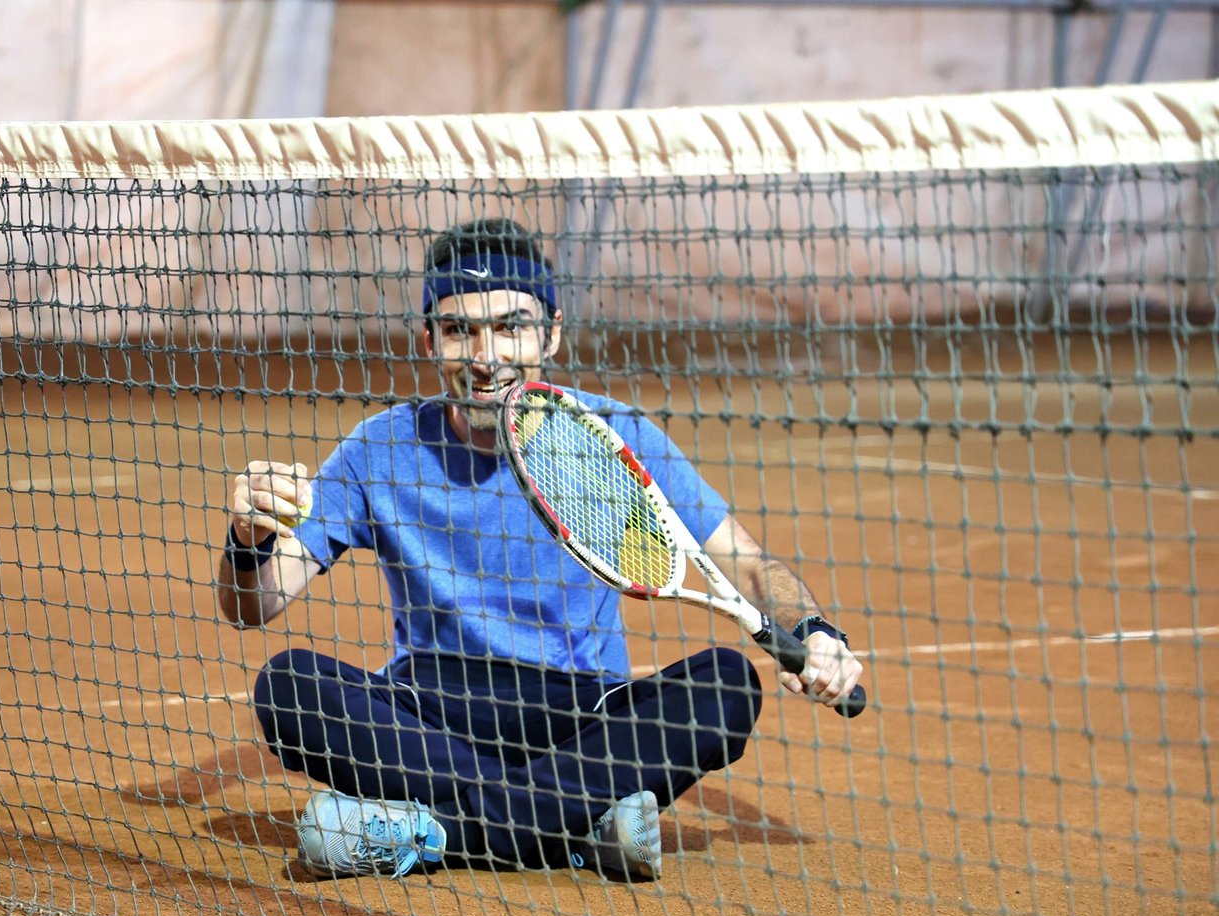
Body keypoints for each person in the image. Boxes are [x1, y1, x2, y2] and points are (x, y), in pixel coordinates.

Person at [217, 218, 864, 881]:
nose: (485, 354)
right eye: (460, 329)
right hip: (430, 715)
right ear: (429, 339)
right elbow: (256, 603)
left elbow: (749, 563)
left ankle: (436, 832)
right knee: (290, 685)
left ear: (551, 332)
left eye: (510, 326)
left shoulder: (611, 434)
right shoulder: (377, 448)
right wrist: (246, 542)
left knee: (725, 686)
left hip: (581, 715)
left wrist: (813, 631)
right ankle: (572, 825)